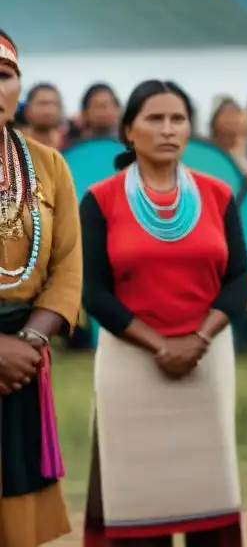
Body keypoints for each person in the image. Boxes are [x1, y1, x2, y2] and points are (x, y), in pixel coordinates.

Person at [80, 79, 247, 547]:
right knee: (136, 505)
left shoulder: (216, 195)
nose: (168, 129)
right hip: (131, 359)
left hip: (206, 356)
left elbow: (237, 281)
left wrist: (197, 340)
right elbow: (94, 293)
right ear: (129, 130)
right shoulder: (101, 199)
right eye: (155, 118)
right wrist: (160, 345)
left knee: (208, 500)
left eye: (178, 119)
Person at [0, 32, 82, 546]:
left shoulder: (48, 165)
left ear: (18, 88)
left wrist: (27, 344)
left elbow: (69, 263)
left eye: (3, 76)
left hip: (23, 362)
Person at [209, 98, 247, 174]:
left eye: (235, 114)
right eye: (226, 114)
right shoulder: (208, 150)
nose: (231, 119)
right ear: (215, 120)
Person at [15, 84, 64, 149]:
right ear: (27, 109)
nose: (49, 110)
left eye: (54, 104)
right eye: (43, 103)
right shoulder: (13, 142)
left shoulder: (69, 143)